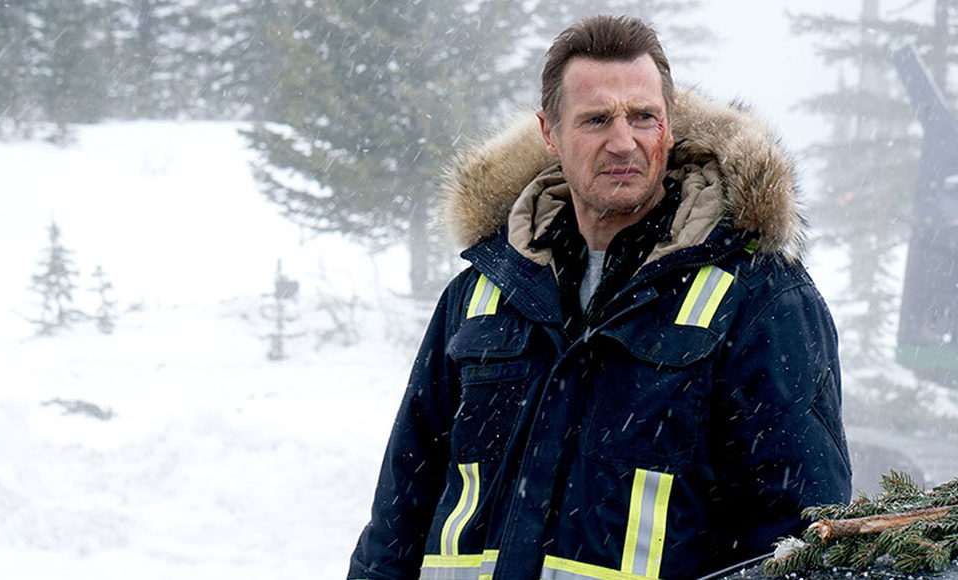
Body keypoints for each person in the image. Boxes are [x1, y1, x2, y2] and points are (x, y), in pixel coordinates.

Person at [347, 14, 852, 580]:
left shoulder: (760, 299)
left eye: (643, 117)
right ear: (549, 133)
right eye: (596, 119)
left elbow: (799, 540)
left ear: (670, 125)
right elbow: (399, 515)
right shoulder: (482, 292)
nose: (623, 141)